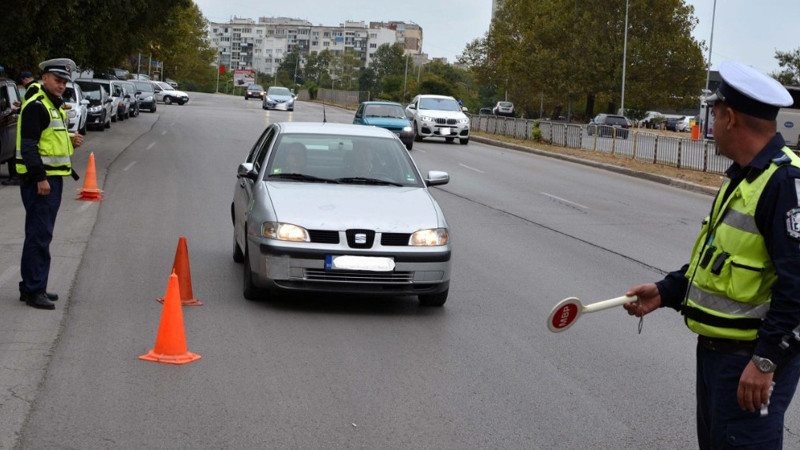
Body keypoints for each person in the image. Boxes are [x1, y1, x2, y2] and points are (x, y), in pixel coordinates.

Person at [623, 61, 800, 449]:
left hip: (750, 363)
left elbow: (798, 287)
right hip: (719, 358)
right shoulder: (744, 176)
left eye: (715, 113)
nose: (712, 121)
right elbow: (716, 260)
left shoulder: (783, 183)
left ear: (730, 118)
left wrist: (766, 361)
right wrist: (666, 291)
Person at [15, 58, 83, 310]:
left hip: (51, 178)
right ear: (44, 78)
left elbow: (47, 139)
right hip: (41, 181)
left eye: (65, 82)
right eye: (57, 80)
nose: (62, 85)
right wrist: (40, 178)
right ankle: (35, 291)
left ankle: (31, 286)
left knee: (38, 234)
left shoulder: (51, 105)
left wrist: (70, 139)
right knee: (39, 236)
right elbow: (29, 145)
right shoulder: (37, 105)